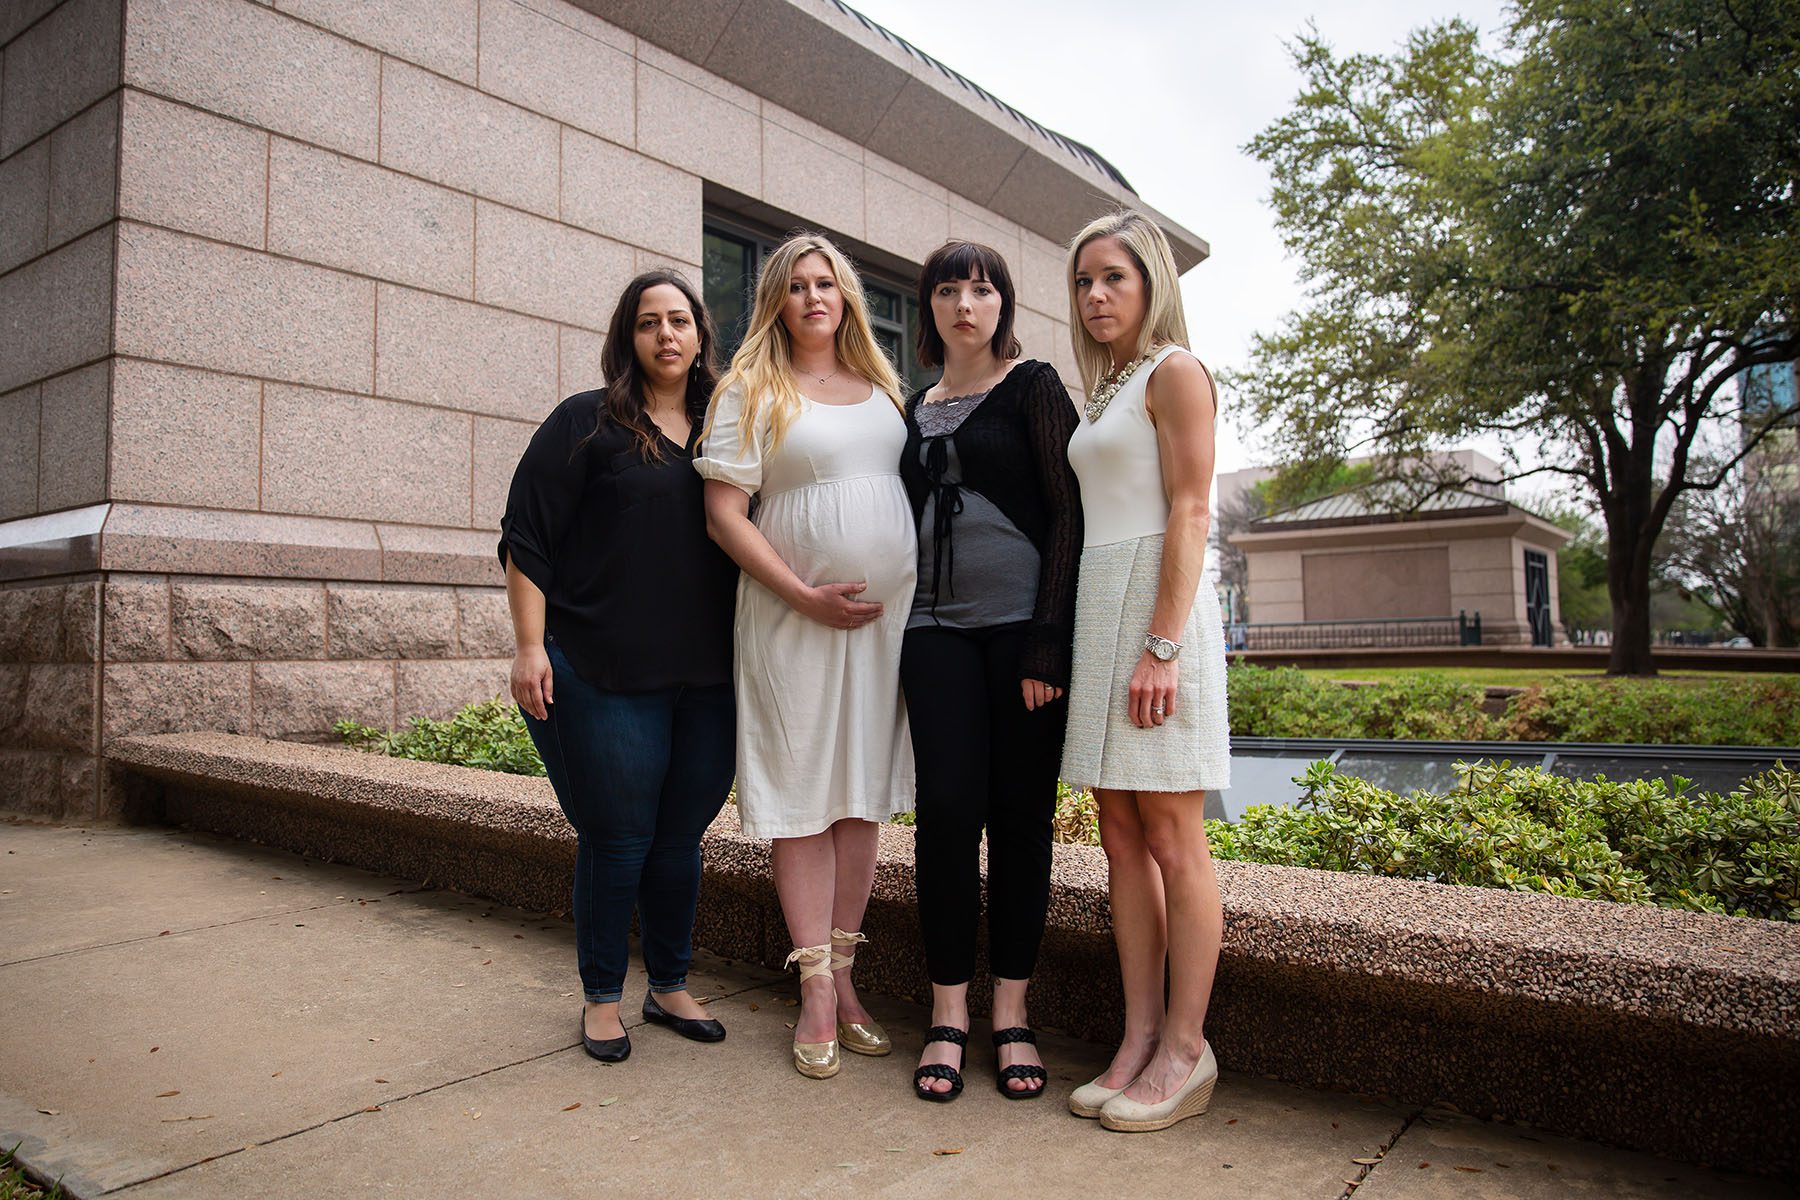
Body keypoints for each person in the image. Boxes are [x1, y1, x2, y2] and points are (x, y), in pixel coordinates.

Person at [498, 270, 739, 1064]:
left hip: (707, 680)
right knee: (618, 838)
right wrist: (531, 646)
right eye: (648, 323)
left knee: (679, 841)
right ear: (628, 338)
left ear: (702, 333)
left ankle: (667, 984)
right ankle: (602, 998)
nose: (666, 335)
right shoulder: (586, 422)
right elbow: (526, 537)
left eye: (679, 320)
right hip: (602, 672)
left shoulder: (725, 430)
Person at [695, 233, 917, 1080]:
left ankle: (850, 978)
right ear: (776, 303)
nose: (814, 297)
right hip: (794, 620)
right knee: (802, 794)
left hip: (880, 629)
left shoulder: (883, 388)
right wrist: (805, 594)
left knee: (860, 795)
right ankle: (815, 988)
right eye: (796, 286)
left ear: (848, 295)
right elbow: (725, 514)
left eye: (827, 283)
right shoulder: (750, 387)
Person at [896, 241, 1081, 1102]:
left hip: (1020, 639)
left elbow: (1068, 515)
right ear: (929, 308)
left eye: (982, 290)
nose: (965, 304)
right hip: (930, 633)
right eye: (947, 291)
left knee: (1018, 820)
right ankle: (947, 1015)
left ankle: (1011, 1013)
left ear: (1003, 304)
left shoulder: (1035, 386)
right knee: (946, 816)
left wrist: (1050, 639)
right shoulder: (912, 404)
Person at [1059, 211, 1231, 1132]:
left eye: (1112, 278)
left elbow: (1192, 509)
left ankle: (1185, 1047)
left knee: (1173, 839)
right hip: (1101, 602)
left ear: (1151, 282)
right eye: (1084, 281)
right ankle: (1135, 1038)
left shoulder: (1176, 372)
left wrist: (1163, 644)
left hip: (1158, 608)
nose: (1094, 296)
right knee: (1119, 836)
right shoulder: (1111, 388)